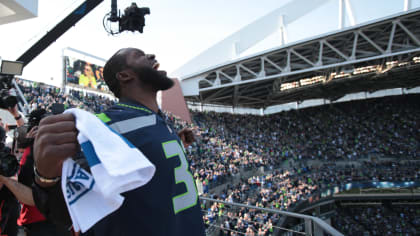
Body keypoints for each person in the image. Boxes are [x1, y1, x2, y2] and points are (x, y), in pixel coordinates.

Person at [32, 48, 206, 235]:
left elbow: (146, 149)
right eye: (139, 55)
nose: (151, 56)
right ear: (124, 75)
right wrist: (45, 178)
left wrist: (173, 142)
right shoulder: (99, 127)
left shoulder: (159, 119)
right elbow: (67, 211)